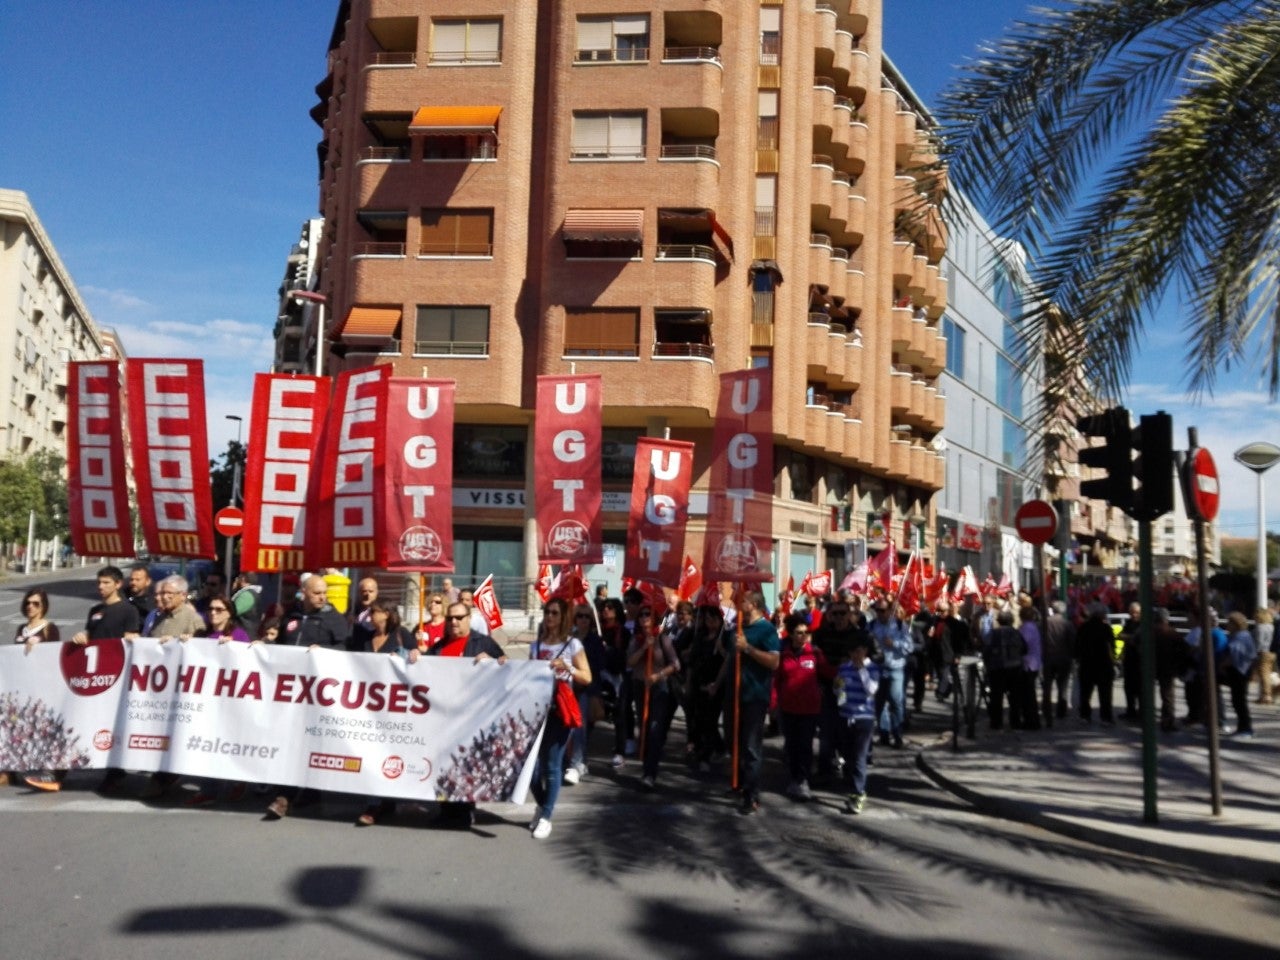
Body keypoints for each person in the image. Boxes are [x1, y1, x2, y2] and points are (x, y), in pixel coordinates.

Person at [43, 566, 142, 794]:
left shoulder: (129, 610)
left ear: (118, 584)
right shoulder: (95, 610)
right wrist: (82, 636)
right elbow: (90, 634)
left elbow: (131, 638)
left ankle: (114, 773)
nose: (101, 587)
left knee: (109, 727)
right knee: (76, 722)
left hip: (115, 677)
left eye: (106, 583)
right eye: (99, 583)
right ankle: (58, 772)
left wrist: (130, 639)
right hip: (92, 676)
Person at [427, 601, 507, 829]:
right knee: (444, 765)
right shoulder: (439, 646)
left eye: (459, 618)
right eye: (450, 618)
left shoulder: (483, 643)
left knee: (465, 765)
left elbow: (506, 667)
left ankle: (464, 812)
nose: (454, 622)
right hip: (443, 715)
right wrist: (412, 655)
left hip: (472, 716)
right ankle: (446, 810)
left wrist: (492, 662)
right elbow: (423, 669)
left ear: (469, 618)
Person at [527, 597, 590, 839]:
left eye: (554, 613)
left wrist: (568, 668)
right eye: (547, 612)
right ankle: (543, 805)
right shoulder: (536, 646)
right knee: (531, 770)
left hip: (559, 711)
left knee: (552, 767)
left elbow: (587, 677)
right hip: (536, 711)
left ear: (563, 617)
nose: (549, 617)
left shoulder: (572, 645)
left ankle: (546, 816)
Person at [713, 591, 780, 815]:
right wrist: (717, 683)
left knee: (751, 747)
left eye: (741, 601)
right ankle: (738, 782)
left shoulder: (767, 630)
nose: (737, 604)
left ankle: (751, 794)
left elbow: (773, 662)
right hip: (733, 695)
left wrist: (749, 649)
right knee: (733, 741)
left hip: (754, 697)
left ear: (752, 604)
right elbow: (730, 659)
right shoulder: (736, 629)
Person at [183, 596, 254, 806]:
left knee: (229, 743)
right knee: (206, 744)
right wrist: (182, 642)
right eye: (210, 609)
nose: (213, 613)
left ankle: (237, 781)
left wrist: (234, 647)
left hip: (230, 699)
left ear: (229, 612)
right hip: (206, 699)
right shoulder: (202, 634)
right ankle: (209, 789)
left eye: (219, 609)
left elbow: (250, 661)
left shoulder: (238, 634)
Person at [355, 599, 420, 826]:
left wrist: (415, 654)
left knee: (390, 752)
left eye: (375, 612)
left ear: (387, 614)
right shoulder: (365, 637)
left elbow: (417, 657)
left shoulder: (401, 634)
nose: (371, 616)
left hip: (395, 706)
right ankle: (378, 801)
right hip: (369, 706)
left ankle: (383, 801)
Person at [9, 589, 61, 789]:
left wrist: (40, 647)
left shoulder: (49, 628)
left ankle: (51, 772)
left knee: (44, 729)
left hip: (43, 688)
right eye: (28, 603)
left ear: (44, 606)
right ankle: (12, 768)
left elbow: (55, 655)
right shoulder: (21, 629)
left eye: (36, 603)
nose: (31, 606)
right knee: (18, 728)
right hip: (21, 687)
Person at [774, 614, 829, 800]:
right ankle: (794, 777)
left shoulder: (814, 653)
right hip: (788, 708)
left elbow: (828, 672)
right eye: (798, 633)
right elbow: (776, 680)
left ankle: (803, 779)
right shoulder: (784, 654)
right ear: (790, 634)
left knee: (805, 745)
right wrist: (773, 702)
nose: (802, 636)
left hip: (810, 708)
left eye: (806, 633)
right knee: (791, 746)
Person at [626, 605, 681, 790]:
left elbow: (675, 664)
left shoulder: (663, 639)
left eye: (647, 614)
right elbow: (630, 662)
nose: (644, 617)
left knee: (655, 729)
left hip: (658, 688)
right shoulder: (636, 639)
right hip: (640, 687)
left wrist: (658, 676)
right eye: (641, 614)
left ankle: (650, 773)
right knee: (644, 727)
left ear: (654, 618)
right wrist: (644, 647)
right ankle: (646, 766)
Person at [810, 599, 863, 782]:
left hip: (849, 690)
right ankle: (825, 768)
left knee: (847, 730)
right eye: (835, 614)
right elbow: (813, 659)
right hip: (826, 687)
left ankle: (850, 768)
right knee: (826, 729)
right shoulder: (821, 635)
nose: (839, 617)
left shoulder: (859, 635)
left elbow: (872, 658)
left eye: (843, 613)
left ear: (849, 615)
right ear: (829, 616)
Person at [834, 634, 880, 814]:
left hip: (864, 718)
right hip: (846, 716)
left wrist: (861, 669)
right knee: (848, 755)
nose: (855, 655)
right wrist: (838, 689)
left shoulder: (872, 668)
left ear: (865, 651)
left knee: (860, 756)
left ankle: (857, 793)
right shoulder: (844, 668)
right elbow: (838, 690)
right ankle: (852, 784)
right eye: (852, 651)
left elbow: (871, 690)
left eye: (858, 651)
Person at [565, 603, 606, 783]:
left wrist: (582, 668)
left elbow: (599, 665)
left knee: (579, 727)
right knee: (569, 727)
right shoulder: (568, 638)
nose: (583, 619)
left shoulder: (595, 640)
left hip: (586, 689)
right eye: (580, 616)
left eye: (587, 617)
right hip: (568, 687)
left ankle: (575, 764)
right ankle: (579, 761)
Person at [868, 599, 910, 748]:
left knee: (896, 702)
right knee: (880, 704)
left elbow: (909, 647)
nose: (879, 614)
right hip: (878, 670)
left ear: (889, 611)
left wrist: (894, 644)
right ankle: (884, 734)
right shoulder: (872, 626)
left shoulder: (899, 625)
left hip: (895, 668)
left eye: (882, 610)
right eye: (877, 610)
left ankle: (897, 734)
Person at [597, 597, 633, 768]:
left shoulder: (623, 632)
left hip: (618, 677)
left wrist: (610, 650)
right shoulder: (598, 630)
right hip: (600, 675)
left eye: (610, 608)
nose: (606, 610)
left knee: (620, 715)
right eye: (604, 607)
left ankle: (620, 751)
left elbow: (625, 655)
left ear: (617, 611)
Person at [279, 575, 350, 650]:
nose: (322, 597)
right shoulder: (291, 614)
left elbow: (342, 647)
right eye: (317, 593)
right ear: (304, 592)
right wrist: (268, 642)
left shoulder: (335, 618)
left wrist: (322, 649)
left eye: (325, 593)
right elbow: (280, 642)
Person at [983, 609, 1025, 730]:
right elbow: (1024, 648)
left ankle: (996, 722)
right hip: (1014, 667)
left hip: (997, 668)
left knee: (996, 696)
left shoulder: (994, 633)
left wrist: (988, 663)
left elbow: (987, 650)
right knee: (1014, 697)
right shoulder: (1016, 633)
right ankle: (1015, 722)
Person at [1076, 602, 1116, 724]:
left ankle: (1085, 715)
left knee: (1085, 692)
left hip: (1087, 664)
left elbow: (1077, 646)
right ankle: (1105, 717)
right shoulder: (1106, 628)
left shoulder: (1083, 627)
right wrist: (1113, 661)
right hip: (1103, 665)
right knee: (1105, 693)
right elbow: (1111, 646)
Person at [1221, 611, 1256, 739]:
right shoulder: (1240, 635)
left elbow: (1234, 655)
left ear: (1236, 624)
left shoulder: (1241, 636)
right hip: (1239, 672)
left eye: (1229, 623)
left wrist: (1222, 665)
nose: (1227, 626)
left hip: (1240, 672)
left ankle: (1246, 729)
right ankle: (1242, 727)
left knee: (1239, 701)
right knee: (1237, 700)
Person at [1041, 600, 1076, 727]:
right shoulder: (1067, 624)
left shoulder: (1046, 623)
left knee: (1047, 685)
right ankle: (1061, 710)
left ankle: (1047, 709)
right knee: (1063, 686)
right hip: (1064, 658)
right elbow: (1072, 641)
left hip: (1048, 657)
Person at [1018, 605, 1042, 731]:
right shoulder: (1034, 627)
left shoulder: (1026, 628)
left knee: (1028, 695)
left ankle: (1031, 721)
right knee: (1030, 694)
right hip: (1034, 663)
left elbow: (1022, 646)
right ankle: (1032, 720)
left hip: (1028, 664)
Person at [1118, 602, 1143, 721]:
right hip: (1129, 660)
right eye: (1132, 612)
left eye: (1136, 612)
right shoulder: (1128, 624)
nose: (1134, 615)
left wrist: (1129, 638)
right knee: (1128, 688)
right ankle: (1130, 711)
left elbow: (1138, 639)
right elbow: (1120, 635)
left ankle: (1142, 712)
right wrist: (1130, 638)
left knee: (1140, 689)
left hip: (1139, 661)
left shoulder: (1143, 625)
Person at [348, 577, 380, 651]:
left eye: (370, 591)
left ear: (376, 592)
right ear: (359, 593)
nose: (367, 594)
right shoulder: (352, 610)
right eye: (364, 591)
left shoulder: (380, 612)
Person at [1252, 608, 1275, 705]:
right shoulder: (1271, 626)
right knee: (1267, 674)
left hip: (1262, 653)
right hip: (1271, 653)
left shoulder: (1260, 627)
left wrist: (1255, 653)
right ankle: (1264, 695)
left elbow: (1259, 642)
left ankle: (1266, 695)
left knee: (1263, 675)